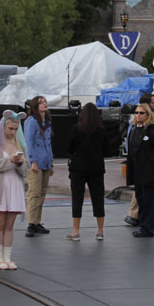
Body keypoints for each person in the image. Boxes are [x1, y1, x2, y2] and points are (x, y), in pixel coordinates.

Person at [0, 110, 29, 270]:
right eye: (10, 128)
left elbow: (26, 170)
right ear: (3, 127)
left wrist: (20, 162)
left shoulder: (19, 144)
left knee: (10, 225)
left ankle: (7, 258)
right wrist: (8, 161)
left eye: (16, 129)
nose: (13, 132)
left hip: (15, 186)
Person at [126, 102, 154, 237]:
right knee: (141, 200)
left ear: (148, 115)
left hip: (150, 172)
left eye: (141, 113)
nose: (138, 115)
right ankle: (143, 225)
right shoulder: (133, 129)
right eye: (136, 113)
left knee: (150, 201)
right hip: (138, 172)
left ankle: (148, 228)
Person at [66, 103, 107, 241]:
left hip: (78, 168)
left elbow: (69, 147)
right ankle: (100, 230)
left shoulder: (76, 129)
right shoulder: (102, 130)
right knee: (98, 198)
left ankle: (76, 231)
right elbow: (108, 148)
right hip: (96, 168)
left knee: (77, 199)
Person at [24, 95, 53, 237]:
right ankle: (31, 223)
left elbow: (48, 143)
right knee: (34, 193)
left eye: (45, 102)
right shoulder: (31, 122)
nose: (45, 104)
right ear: (35, 107)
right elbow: (28, 142)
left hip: (46, 160)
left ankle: (37, 221)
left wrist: (51, 162)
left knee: (42, 192)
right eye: (41, 103)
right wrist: (32, 161)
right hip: (36, 162)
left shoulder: (46, 122)